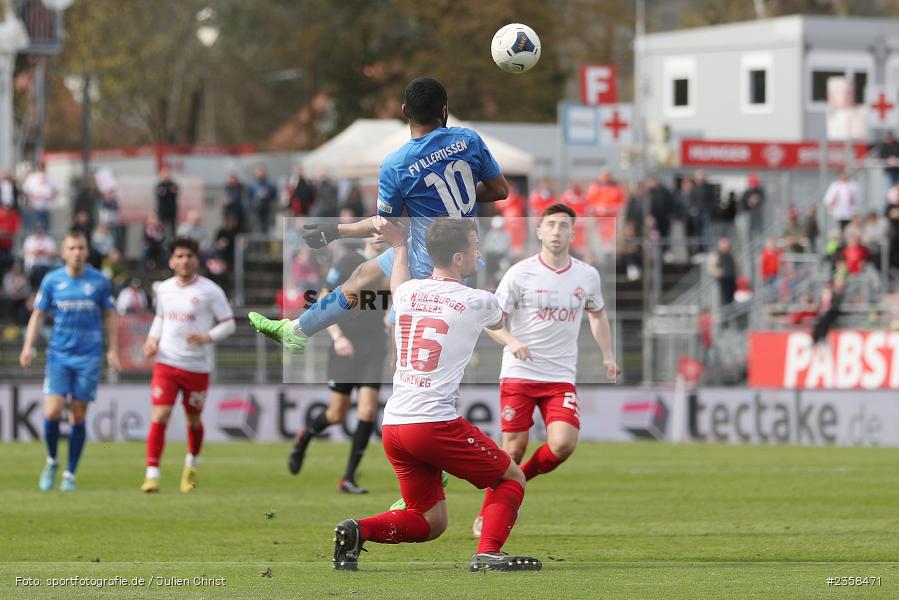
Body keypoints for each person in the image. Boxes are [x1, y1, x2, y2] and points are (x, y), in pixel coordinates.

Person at [331, 217, 541, 572]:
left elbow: (399, 282)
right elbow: (499, 316)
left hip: (396, 426)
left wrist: (399, 246)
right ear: (458, 258)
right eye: (475, 248)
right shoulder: (478, 301)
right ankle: (488, 551)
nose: (479, 254)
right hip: (433, 423)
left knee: (430, 520)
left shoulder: (410, 293)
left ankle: (357, 530)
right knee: (510, 478)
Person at [248, 76, 508, 351]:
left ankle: (300, 331)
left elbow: (385, 225)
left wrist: (337, 230)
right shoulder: (468, 139)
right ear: (444, 110)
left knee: (404, 347)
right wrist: (462, 196)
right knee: (361, 276)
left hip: (429, 262)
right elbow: (500, 190)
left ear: (405, 111)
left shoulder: (397, 164)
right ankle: (296, 331)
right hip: (460, 251)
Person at [470, 204, 619, 538]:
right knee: (512, 449)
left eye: (563, 226)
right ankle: (488, 512)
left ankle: (517, 479)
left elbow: (597, 315)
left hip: (560, 377)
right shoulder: (520, 273)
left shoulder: (587, 275)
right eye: (550, 225)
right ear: (538, 231)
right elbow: (491, 321)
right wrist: (510, 340)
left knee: (563, 444)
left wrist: (608, 355)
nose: (556, 231)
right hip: (520, 374)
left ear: (572, 232)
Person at [19, 231, 120, 492]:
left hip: (88, 356)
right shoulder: (52, 280)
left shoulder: (99, 282)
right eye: (72, 248)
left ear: (87, 251)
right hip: (59, 355)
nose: (77, 252)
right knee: (52, 411)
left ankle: (70, 473)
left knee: (78, 414)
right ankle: (52, 460)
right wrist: (28, 346)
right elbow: (38, 315)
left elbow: (109, 315)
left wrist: (113, 350)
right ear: (63, 252)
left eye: (81, 248)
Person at [287, 238, 389, 494]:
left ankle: (348, 478)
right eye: (374, 230)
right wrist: (338, 337)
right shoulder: (349, 262)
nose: (379, 236)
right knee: (336, 414)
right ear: (366, 235)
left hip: (375, 347)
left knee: (367, 411)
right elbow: (323, 300)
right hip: (346, 345)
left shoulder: (394, 264)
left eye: (384, 230)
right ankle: (305, 436)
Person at [140, 237, 235, 493]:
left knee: (193, 419)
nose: (184, 260)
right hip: (167, 362)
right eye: (179, 256)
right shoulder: (164, 289)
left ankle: (191, 465)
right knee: (160, 414)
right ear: (171, 261)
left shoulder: (210, 291)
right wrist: (151, 339)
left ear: (197, 259)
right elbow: (161, 318)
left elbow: (229, 323)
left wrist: (207, 337)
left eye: (189, 256)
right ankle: (152, 474)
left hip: (197, 366)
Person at [707, 237, 737, 307]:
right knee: (724, 301)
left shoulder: (730, 255)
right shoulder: (716, 255)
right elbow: (711, 268)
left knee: (731, 301)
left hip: (732, 281)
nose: (726, 247)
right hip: (722, 282)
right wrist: (721, 273)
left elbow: (735, 267)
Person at [249, 166, 277, 234]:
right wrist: (256, 199)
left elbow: (274, 197)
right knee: (257, 230)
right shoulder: (251, 185)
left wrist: (268, 195)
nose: (260, 174)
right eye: (259, 172)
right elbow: (247, 198)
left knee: (268, 231)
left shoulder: (270, 184)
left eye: (262, 172)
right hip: (255, 211)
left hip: (268, 211)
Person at [155, 167, 179, 237]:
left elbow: (175, 192)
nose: (166, 176)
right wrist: (169, 192)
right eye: (164, 174)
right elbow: (161, 193)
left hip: (172, 209)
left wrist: (167, 192)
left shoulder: (173, 184)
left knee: (172, 227)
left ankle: (173, 239)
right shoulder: (159, 185)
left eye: (167, 174)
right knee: (161, 226)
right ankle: (161, 238)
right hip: (162, 210)